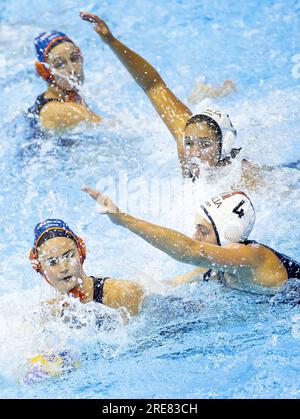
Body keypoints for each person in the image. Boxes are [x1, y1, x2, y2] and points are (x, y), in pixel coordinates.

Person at [80, 12, 264, 187]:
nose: (194, 154)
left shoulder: (243, 177)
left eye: (205, 145)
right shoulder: (187, 146)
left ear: (224, 146)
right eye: (189, 143)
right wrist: (111, 41)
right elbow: (152, 85)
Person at [82, 185, 300, 295]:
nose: (195, 237)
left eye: (203, 231)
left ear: (228, 234)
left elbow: (190, 250)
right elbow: (166, 286)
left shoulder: (252, 256)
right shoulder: (218, 267)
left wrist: (124, 220)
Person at [29, 219, 204, 320]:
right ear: (40, 268)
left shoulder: (121, 293)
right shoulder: (47, 314)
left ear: (81, 252)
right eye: (52, 262)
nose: (63, 268)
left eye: (68, 256)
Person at [27, 31, 102, 135]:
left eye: (74, 58)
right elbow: (115, 129)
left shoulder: (68, 98)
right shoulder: (58, 111)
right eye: (60, 64)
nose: (72, 69)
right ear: (45, 72)